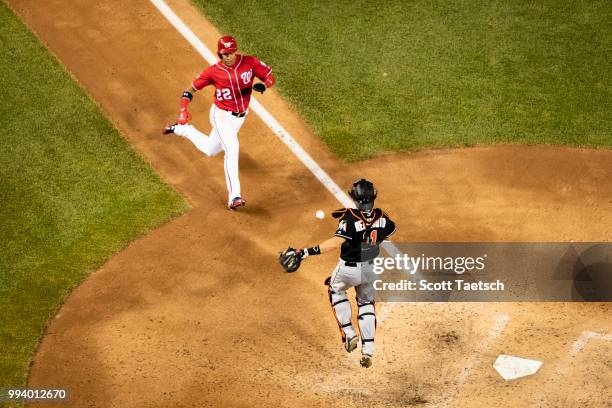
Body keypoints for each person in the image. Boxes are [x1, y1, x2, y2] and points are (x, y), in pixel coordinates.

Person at [281, 179, 396, 368]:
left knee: (335, 289)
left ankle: (349, 333)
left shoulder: (350, 218)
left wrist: (305, 252)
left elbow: (336, 242)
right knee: (366, 303)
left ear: (355, 198)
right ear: (373, 197)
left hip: (349, 269)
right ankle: (368, 350)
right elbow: (386, 231)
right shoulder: (381, 216)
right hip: (370, 269)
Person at [163, 35, 276, 210]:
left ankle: (182, 130)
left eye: (231, 53)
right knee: (232, 149)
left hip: (240, 117)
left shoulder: (250, 62)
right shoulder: (212, 72)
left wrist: (265, 85)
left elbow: (269, 76)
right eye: (225, 54)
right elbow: (190, 90)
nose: (229, 56)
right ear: (219, 55)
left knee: (210, 149)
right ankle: (234, 197)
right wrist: (183, 110)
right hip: (220, 116)